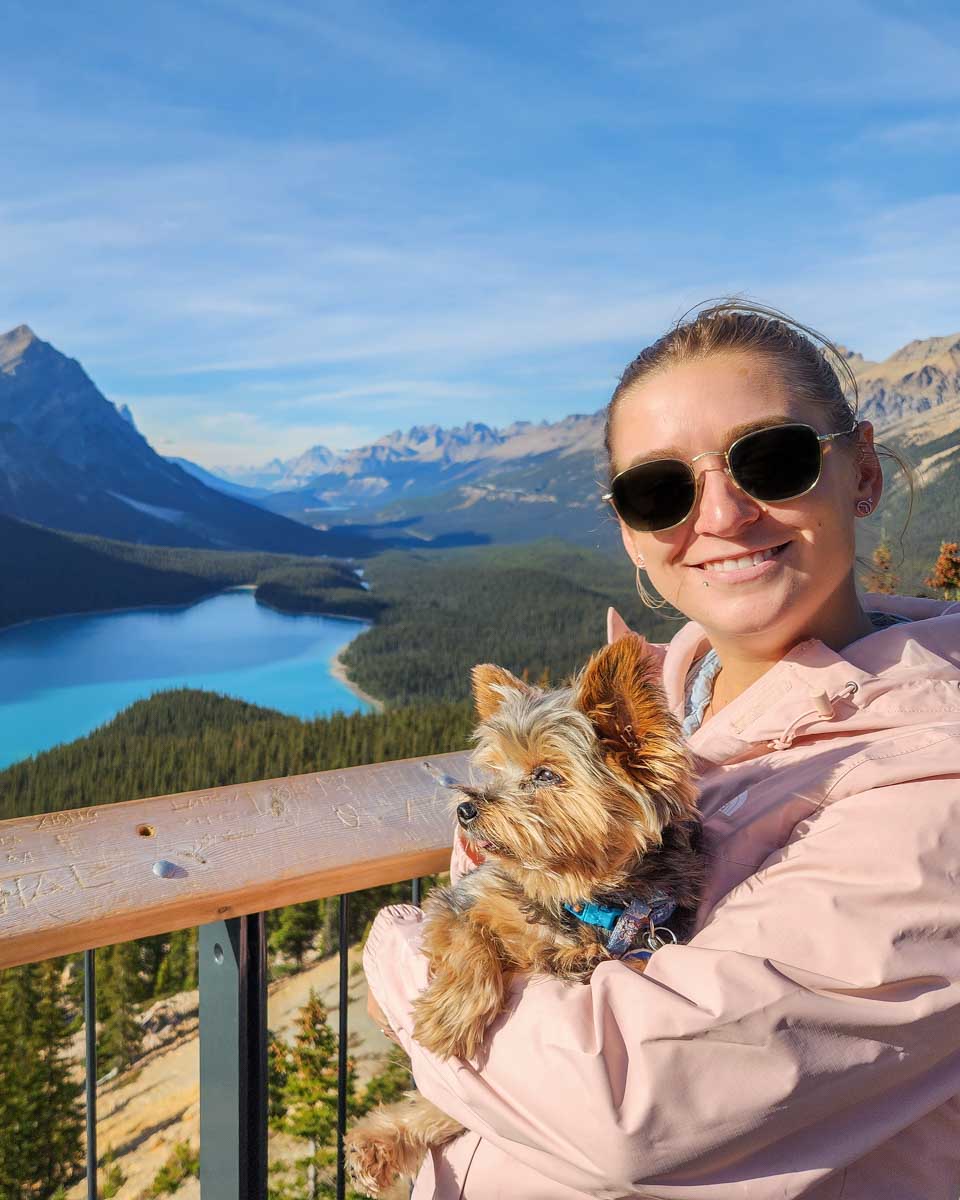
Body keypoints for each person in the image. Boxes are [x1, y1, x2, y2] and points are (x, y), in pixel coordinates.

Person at [362, 300, 960, 1199]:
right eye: (660, 491)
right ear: (632, 536)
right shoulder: (631, 719)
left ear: (863, 473)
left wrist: (397, 954)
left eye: (773, 460)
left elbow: (627, 1108)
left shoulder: (932, 778)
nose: (719, 513)